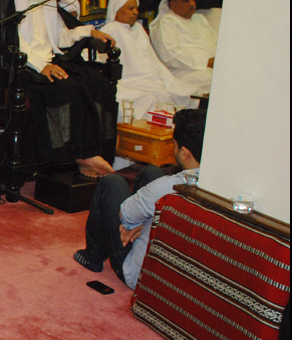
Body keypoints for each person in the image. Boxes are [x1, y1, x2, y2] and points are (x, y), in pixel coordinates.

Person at [0, 0, 119, 178]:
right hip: (20, 69)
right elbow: (9, 42)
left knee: (98, 84)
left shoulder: (45, 0)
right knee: (67, 88)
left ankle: (94, 151)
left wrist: (89, 32)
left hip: (48, 63)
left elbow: (61, 37)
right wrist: (41, 66)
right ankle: (72, 156)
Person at [73, 108, 206, 289]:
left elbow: (125, 216)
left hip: (140, 276)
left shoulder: (167, 186)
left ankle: (92, 257)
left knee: (112, 183)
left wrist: (138, 223)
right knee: (152, 172)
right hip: (175, 270)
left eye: (173, 144)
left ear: (184, 152)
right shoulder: (219, 186)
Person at [98, 0, 198, 119]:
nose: (135, 12)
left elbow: (151, 58)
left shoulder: (138, 28)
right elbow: (100, 58)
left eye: (136, 9)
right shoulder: (110, 29)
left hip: (151, 78)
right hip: (129, 80)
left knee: (186, 92)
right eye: (130, 8)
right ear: (117, 11)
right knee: (160, 96)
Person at [149, 0, 218, 96]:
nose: (192, 4)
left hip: (211, 68)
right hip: (183, 72)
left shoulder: (200, 19)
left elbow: (216, 41)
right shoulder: (167, 22)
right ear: (173, 4)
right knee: (220, 80)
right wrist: (206, 62)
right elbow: (170, 56)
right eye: (186, 0)